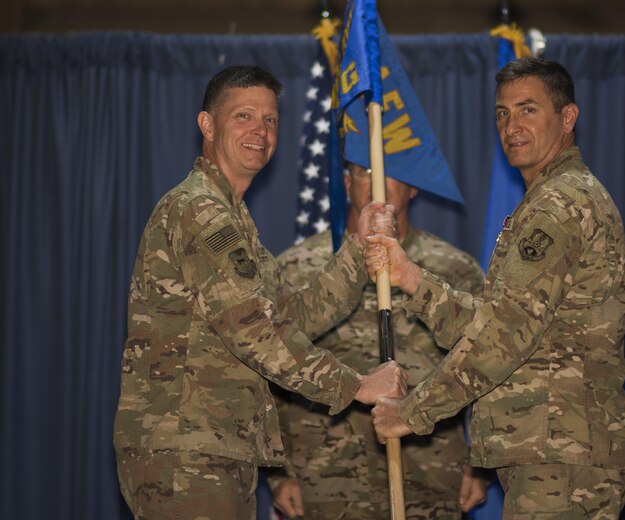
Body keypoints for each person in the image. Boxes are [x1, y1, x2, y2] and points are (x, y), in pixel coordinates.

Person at [113, 65, 406, 520]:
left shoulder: (232, 218)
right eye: (243, 116)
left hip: (214, 445)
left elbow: (292, 317)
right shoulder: (199, 210)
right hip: (187, 449)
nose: (260, 131)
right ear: (207, 125)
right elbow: (253, 331)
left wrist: (357, 247)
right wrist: (357, 385)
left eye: (270, 119)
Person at [368, 58, 625, 519]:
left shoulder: (560, 204)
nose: (512, 126)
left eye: (528, 109)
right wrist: (411, 278)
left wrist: (412, 413)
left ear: (567, 118)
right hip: (553, 449)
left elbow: (503, 335)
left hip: (561, 455)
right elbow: (498, 323)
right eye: (503, 113)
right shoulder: (550, 199)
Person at [268, 162, 489, 519]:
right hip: (326, 476)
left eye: (391, 171)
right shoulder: (297, 267)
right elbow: (272, 366)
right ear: (346, 183)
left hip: (431, 471)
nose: (377, 183)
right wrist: (280, 472)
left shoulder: (455, 269)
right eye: (364, 171)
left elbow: (485, 361)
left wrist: (480, 466)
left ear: (413, 187)